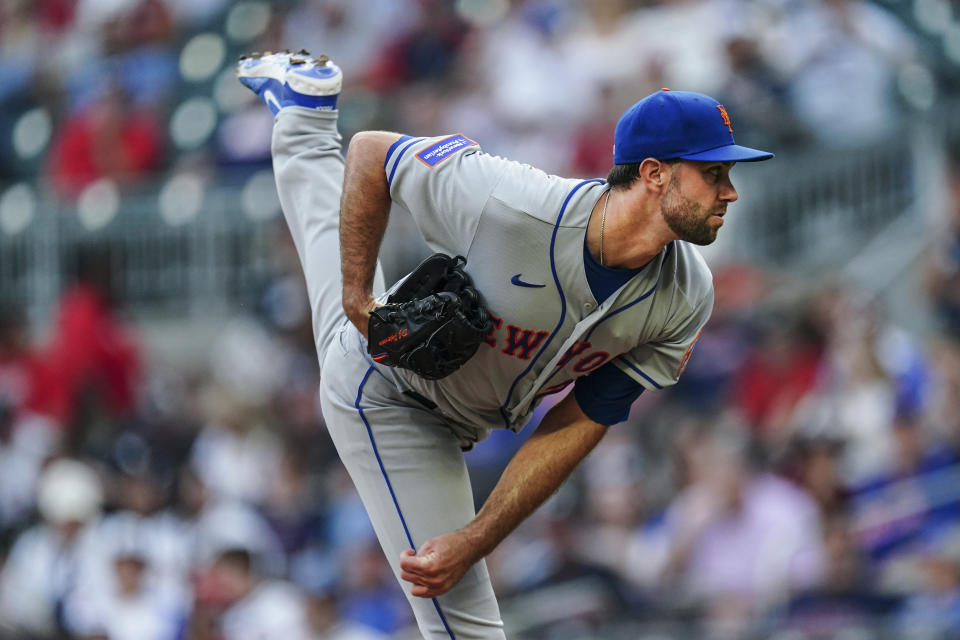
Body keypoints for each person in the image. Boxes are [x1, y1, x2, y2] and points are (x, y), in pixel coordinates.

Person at [237, 49, 773, 639]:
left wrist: (480, 536)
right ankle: (306, 131)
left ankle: (304, 119)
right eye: (714, 174)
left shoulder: (685, 295)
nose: (730, 193)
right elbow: (372, 155)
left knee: (325, 244)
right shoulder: (513, 202)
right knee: (465, 628)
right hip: (390, 396)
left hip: (464, 415)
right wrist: (360, 302)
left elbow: (577, 422)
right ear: (654, 175)